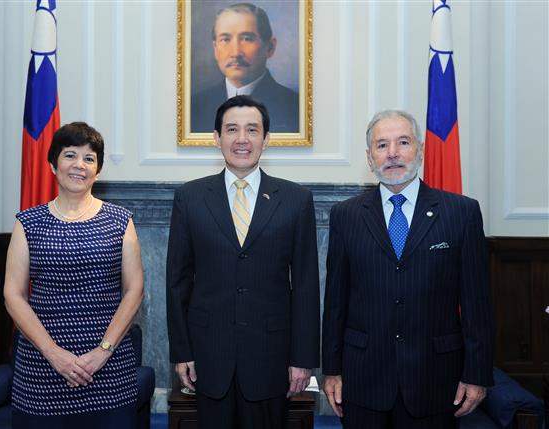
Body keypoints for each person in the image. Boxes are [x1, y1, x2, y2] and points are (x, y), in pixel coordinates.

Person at [321, 110, 494, 428]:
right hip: (363, 380)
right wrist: (331, 371)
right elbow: (335, 302)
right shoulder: (346, 215)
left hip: (436, 379)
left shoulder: (461, 212)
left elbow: (476, 304)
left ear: (420, 149)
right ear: (370, 157)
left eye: (403, 142)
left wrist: (477, 374)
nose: (393, 153)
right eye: (381, 145)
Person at [167, 95, 319, 428]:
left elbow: (306, 285)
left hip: (271, 356)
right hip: (209, 354)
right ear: (216, 137)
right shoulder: (190, 198)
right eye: (232, 129)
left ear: (266, 139)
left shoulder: (296, 200)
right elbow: (177, 282)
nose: (242, 139)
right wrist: (182, 352)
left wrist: (303, 358)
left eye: (252, 130)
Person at [3, 122, 144, 428]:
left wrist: (102, 352)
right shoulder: (28, 223)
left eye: (89, 158)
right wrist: (54, 354)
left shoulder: (120, 221)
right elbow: (13, 295)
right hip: (42, 371)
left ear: (98, 170)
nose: (79, 165)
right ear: (53, 165)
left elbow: (134, 290)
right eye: (70, 155)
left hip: (108, 371)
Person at [191, 3, 299, 133]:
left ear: (270, 47)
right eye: (225, 40)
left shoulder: (295, 107)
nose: (235, 53)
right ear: (215, 49)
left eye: (247, 39)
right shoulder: (194, 107)